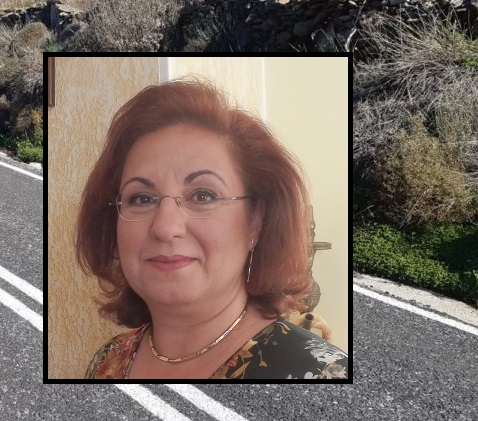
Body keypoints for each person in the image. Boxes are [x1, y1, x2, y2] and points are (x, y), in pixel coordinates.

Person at [75, 79, 349, 380]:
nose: (165, 228)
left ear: (255, 220)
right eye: (142, 198)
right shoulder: (108, 361)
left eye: (203, 196)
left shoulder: (322, 374)